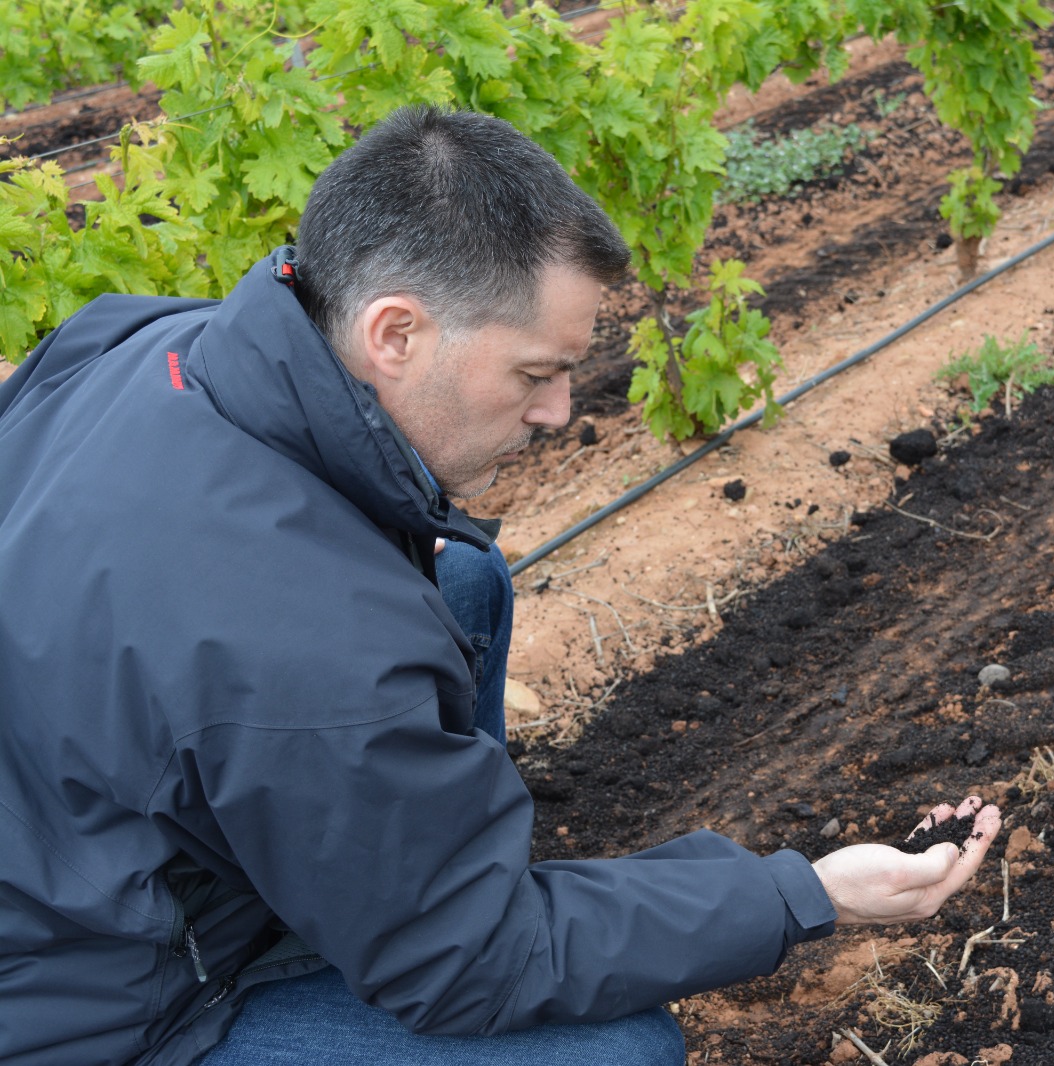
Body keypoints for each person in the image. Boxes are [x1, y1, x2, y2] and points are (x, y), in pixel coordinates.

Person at [0, 105, 1001, 1066]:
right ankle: (414, 884)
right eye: (534, 374)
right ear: (394, 333)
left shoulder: (143, 341)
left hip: (62, 841)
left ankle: (423, 849)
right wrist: (803, 893)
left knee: (462, 576)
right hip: (99, 1010)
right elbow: (473, 964)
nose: (561, 410)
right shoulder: (307, 640)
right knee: (616, 1049)